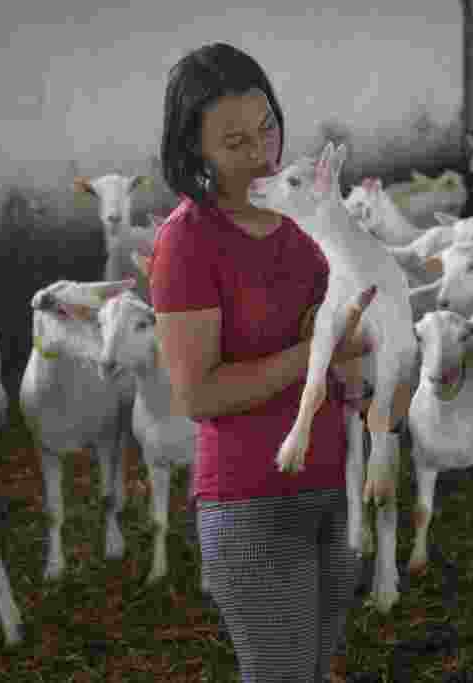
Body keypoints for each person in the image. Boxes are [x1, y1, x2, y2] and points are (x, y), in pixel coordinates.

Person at [149, 42, 374, 682]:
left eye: (268, 127)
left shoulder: (307, 218)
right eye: (235, 141)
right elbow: (198, 394)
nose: (263, 155)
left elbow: (347, 335)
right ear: (196, 152)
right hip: (252, 505)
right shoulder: (188, 242)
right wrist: (314, 352)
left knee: (313, 668)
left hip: (336, 484)